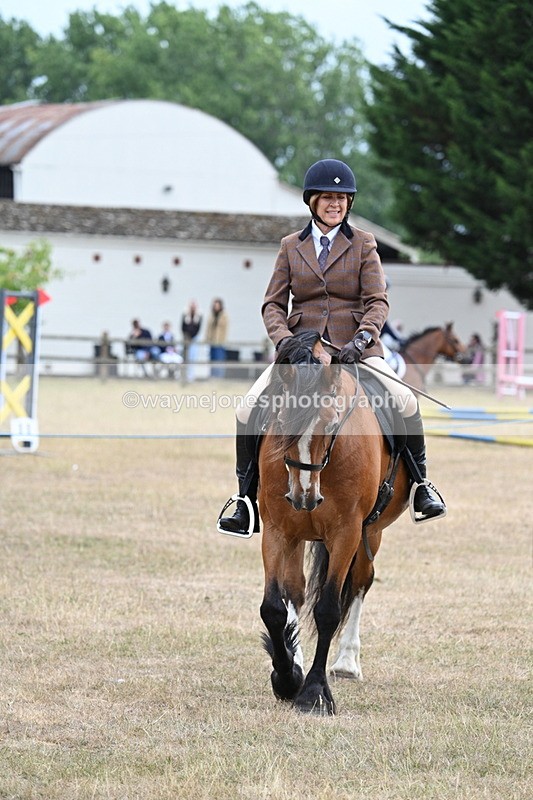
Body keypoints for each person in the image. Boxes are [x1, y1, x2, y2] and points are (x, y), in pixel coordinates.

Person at [218, 158, 446, 537]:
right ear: (313, 202)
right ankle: (244, 499)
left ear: (349, 203)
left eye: (341, 198)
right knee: (247, 408)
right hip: (301, 353)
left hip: (356, 349)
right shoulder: (291, 247)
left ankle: (422, 486)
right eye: (327, 198)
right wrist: (286, 342)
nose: (335, 204)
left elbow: (377, 301)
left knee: (405, 401)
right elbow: (272, 304)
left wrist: (362, 337)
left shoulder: (364, 244)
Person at [205, 298, 228, 378]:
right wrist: (207, 338)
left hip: (220, 342)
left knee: (219, 360)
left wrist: (222, 339)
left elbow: (224, 328)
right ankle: (213, 376)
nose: (216, 307)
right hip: (212, 342)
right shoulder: (211, 316)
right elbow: (208, 328)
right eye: (215, 306)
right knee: (212, 360)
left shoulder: (224, 316)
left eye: (217, 306)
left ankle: (219, 376)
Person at [181, 300, 202, 382]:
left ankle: (191, 376)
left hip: (194, 338)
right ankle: (184, 375)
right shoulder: (185, 315)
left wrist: (192, 337)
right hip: (186, 339)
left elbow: (198, 328)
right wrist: (187, 336)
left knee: (193, 357)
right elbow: (183, 327)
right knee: (186, 357)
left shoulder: (199, 316)